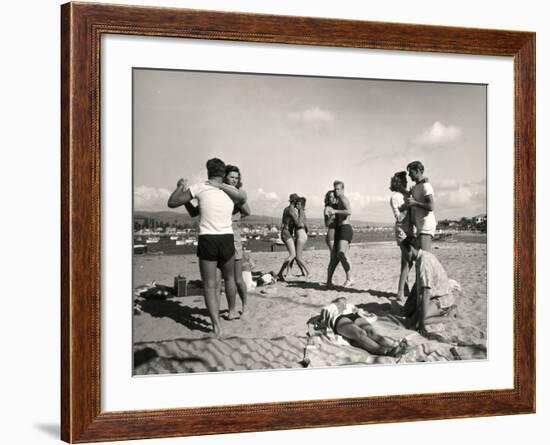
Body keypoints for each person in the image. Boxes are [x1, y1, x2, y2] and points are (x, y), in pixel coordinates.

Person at [167, 158, 246, 336]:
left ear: (208, 172)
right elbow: (243, 199)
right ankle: (232, 310)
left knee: (210, 285)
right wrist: (222, 186)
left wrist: (181, 186)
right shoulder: (231, 191)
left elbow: (172, 202)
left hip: (208, 238)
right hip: (227, 239)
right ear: (223, 173)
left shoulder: (200, 187)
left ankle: (216, 326)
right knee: (230, 279)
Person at [180, 165, 251, 319]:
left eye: (237, 178)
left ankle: (244, 306)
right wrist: (186, 200)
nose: (234, 180)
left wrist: (236, 219)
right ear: (225, 177)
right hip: (217, 238)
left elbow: (247, 211)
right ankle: (219, 312)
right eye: (231, 177)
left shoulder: (235, 195)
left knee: (237, 279)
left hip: (233, 238)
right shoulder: (214, 194)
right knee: (218, 282)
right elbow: (194, 212)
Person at [400, 238, 458, 336]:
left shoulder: (424, 261)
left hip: (441, 299)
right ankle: (429, 315)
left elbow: (426, 292)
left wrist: (422, 321)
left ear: (410, 248)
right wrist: (409, 305)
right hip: (434, 296)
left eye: (404, 252)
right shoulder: (420, 257)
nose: (403, 256)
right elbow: (418, 285)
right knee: (409, 313)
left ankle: (448, 316)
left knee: (419, 321)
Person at [317, 297, 408, 357]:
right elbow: (322, 320)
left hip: (353, 316)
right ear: (335, 301)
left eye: (344, 300)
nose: (343, 301)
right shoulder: (329, 307)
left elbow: (362, 312)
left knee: (371, 331)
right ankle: (385, 351)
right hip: (339, 319)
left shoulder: (350, 306)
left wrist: (359, 311)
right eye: (341, 300)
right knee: (360, 333)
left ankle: (393, 346)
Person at [389, 171, 413, 303]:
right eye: (403, 181)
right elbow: (399, 217)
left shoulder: (406, 194)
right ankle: (400, 292)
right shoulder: (395, 197)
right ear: (397, 183)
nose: (405, 183)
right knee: (409, 259)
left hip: (409, 230)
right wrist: (407, 205)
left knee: (405, 261)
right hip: (401, 230)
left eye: (405, 181)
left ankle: (405, 289)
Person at [326, 180, 354, 287]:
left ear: (342, 189)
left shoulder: (343, 198)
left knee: (340, 254)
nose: (336, 191)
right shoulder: (338, 201)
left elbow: (349, 211)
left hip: (345, 228)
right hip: (340, 229)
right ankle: (329, 281)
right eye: (335, 189)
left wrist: (335, 211)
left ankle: (350, 278)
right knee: (336, 257)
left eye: (338, 189)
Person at [406, 161, 436, 252]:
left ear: (418, 170)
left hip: (426, 226)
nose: (409, 175)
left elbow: (431, 206)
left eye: (411, 172)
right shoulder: (416, 187)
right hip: (419, 226)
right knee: (419, 258)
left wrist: (415, 203)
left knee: (425, 258)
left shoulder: (426, 186)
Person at [277, 194, 299, 281]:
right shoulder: (291, 210)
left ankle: (288, 273)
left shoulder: (287, 208)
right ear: (295, 201)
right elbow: (297, 222)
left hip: (286, 232)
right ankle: (280, 273)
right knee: (293, 254)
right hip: (287, 233)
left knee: (292, 254)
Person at [291, 196, 311, 278]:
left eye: (298, 204)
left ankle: (308, 272)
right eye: (296, 203)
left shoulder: (301, 212)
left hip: (301, 234)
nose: (296, 205)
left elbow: (299, 224)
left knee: (298, 257)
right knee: (296, 256)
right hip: (301, 234)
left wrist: (294, 219)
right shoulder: (301, 212)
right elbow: (306, 226)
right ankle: (303, 272)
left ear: (302, 205)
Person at [324, 190, 338, 261]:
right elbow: (326, 224)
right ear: (328, 199)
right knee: (333, 257)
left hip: (338, 232)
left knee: (335, 256)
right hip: (331, 233)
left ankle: (330, 272)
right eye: (330, 197)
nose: (333, 199)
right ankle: (330, 272)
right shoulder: (327, 208)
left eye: (334, 197)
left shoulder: (337, 207)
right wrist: (332, 217)